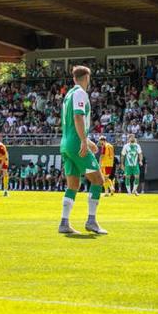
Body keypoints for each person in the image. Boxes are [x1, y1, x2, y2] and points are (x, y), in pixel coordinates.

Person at [58, 66, 106, 234]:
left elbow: (71, 123)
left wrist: (88, 140)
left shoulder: (68, 95)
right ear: (87, 77)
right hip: (76, 143)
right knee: (98, 180)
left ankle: (64, 223)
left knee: (73, 185)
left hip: (66, 144)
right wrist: (84, 141)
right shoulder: (80, 93)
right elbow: (78, 116)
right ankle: (91, 221)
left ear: (74, 78)